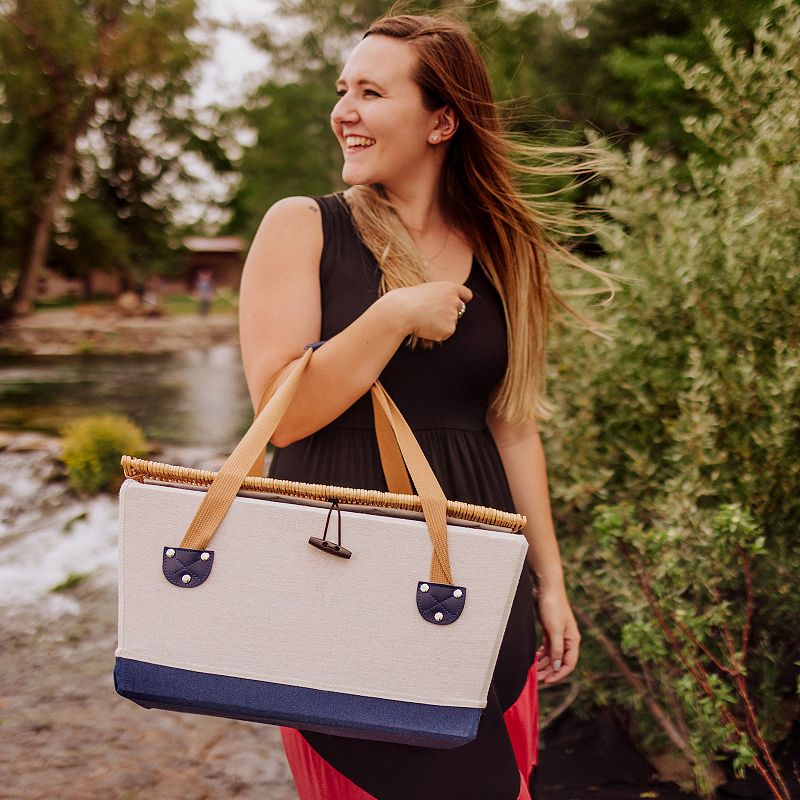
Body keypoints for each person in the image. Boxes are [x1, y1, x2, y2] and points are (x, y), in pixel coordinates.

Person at [239, 11, 612, 800]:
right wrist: (391, 316)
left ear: (442, 120)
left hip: (473, 586)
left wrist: (550, 580)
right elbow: (283, 410)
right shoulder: (302, 227)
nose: (344, 110)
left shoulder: (505, 250)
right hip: (334, 586)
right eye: (344, 90)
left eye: (372, 92)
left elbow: (513, 429)